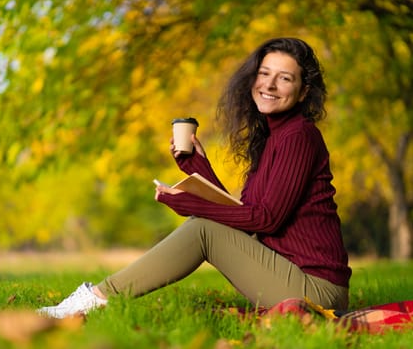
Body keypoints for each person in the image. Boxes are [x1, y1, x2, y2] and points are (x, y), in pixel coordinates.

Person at [37, 37, 352, 319]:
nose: (269, 85)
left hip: (317, 288)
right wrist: (198, 168)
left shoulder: (299, 136)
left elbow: (266, 220)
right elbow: (247, 216)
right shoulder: (274, 139)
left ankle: (93, 300)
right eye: (264, 73)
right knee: (205, 227)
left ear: (303, 92)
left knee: (202, 228)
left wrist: (192, 206)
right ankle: (95, 299)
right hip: (290, 274)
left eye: (284, 78)